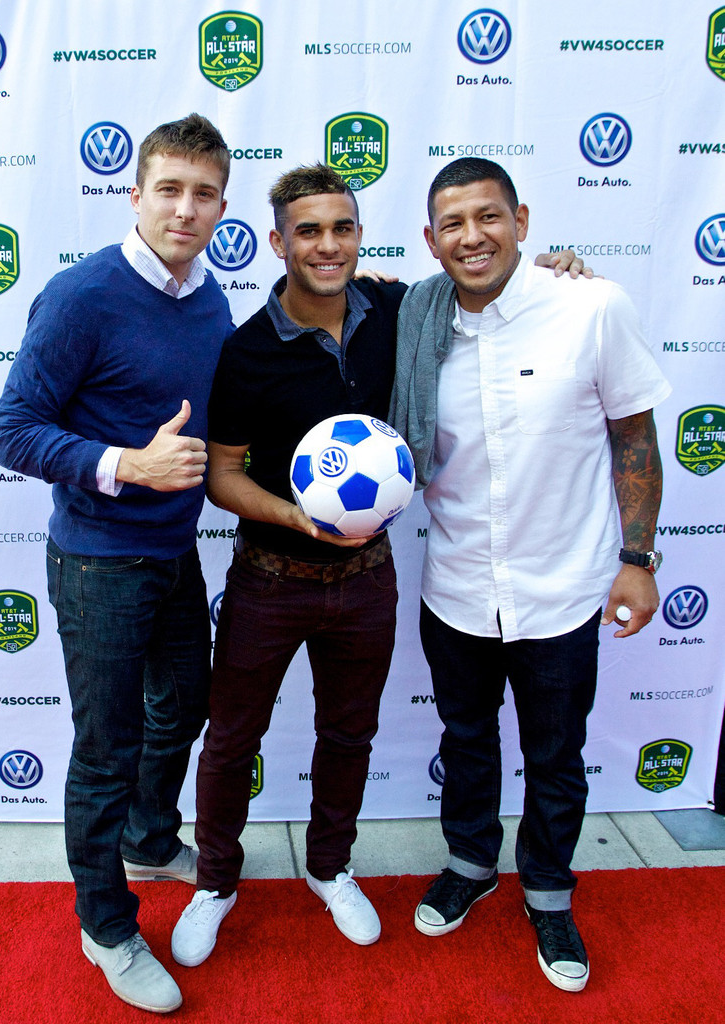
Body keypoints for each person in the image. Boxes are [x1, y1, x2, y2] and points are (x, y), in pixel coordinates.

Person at [169, 163, 587, 969]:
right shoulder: (247, 351)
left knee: (349, 733)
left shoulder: (400, 310)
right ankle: (215, 882)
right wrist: (296, 515)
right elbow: (222, 475)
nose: (327, 245)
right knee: (230, 739)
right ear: (277, 241)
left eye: (342, 228)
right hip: (269, 580)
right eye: (308, 230)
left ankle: (329, 868)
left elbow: (491, 288)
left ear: (360, 235)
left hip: (367, 583)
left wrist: (558, 271)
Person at [390, 157, 671, 993]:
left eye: (487, 216)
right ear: (430, 240)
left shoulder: (589, 306)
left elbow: (635, 440)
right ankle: (471, 863)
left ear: (520, 217)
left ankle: (547, 891)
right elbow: (332, 290)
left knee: (555, 754)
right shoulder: (415, 316)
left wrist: (636, 559)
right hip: (457, 587)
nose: (471, 237)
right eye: (452, 224)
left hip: (562, 590)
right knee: (465, 741)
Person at [0, 114, 232, 1014]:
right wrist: (124, 464)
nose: (185, 207)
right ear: (135, 196)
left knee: (186, 706)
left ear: (220, 208)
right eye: (168, 189)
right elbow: (5, 428)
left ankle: (147, 835)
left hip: (175, 556)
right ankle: (107, 927)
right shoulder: (81, 295)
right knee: (106, 748)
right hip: (99, 561)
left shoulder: (209, 298)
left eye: (203, 194)